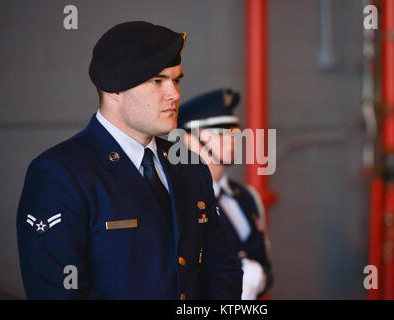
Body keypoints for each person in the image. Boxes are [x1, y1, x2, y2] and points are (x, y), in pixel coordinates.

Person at [16, 21, 242, 299]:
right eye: (158, 81)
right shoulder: (61, 174)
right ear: (114, 89)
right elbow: (62, 293)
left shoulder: (190, 168)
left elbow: (221, 271)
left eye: (176, 80)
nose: (175, 94)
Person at [177, 88, 273, 299]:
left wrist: (258, 278)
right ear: (189, 140)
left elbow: (265, 264)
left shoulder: (247, 198)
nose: (231, 140)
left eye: (234, 132)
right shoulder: (177, 199)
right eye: (219, 133)